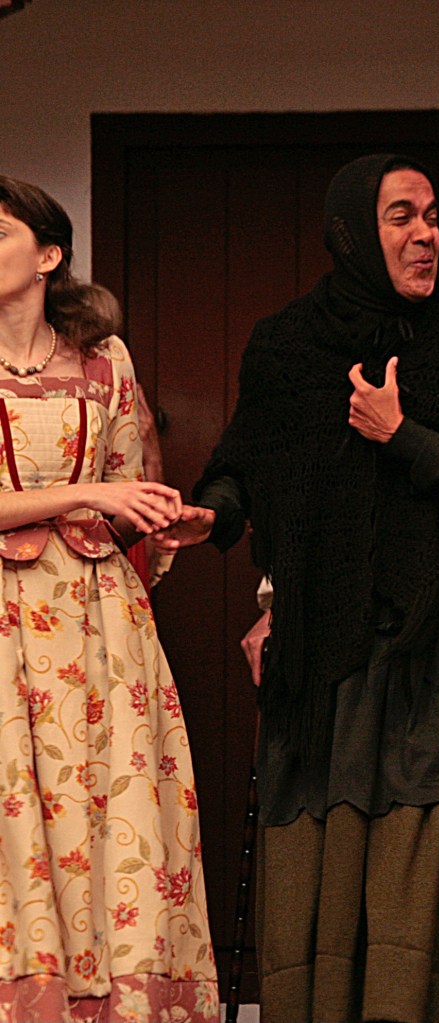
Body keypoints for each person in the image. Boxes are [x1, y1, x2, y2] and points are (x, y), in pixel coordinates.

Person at [156, 153, 439, 1023]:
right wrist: (213, 515)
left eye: (434, 216)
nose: (427, 235)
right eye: (402, 217)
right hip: (329, 665)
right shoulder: (286, 346)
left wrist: (403, 435)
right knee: (333, 882)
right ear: (352, 231)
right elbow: (248, 463)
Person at [0, 175, 219, 1022]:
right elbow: (97, 491)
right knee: (18, 817)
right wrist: (89, 493)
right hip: (8, 625)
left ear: (48, 255)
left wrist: (159, 520)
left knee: (107, 814)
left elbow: (129, 484)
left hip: (99, 626)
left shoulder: (105, 360)